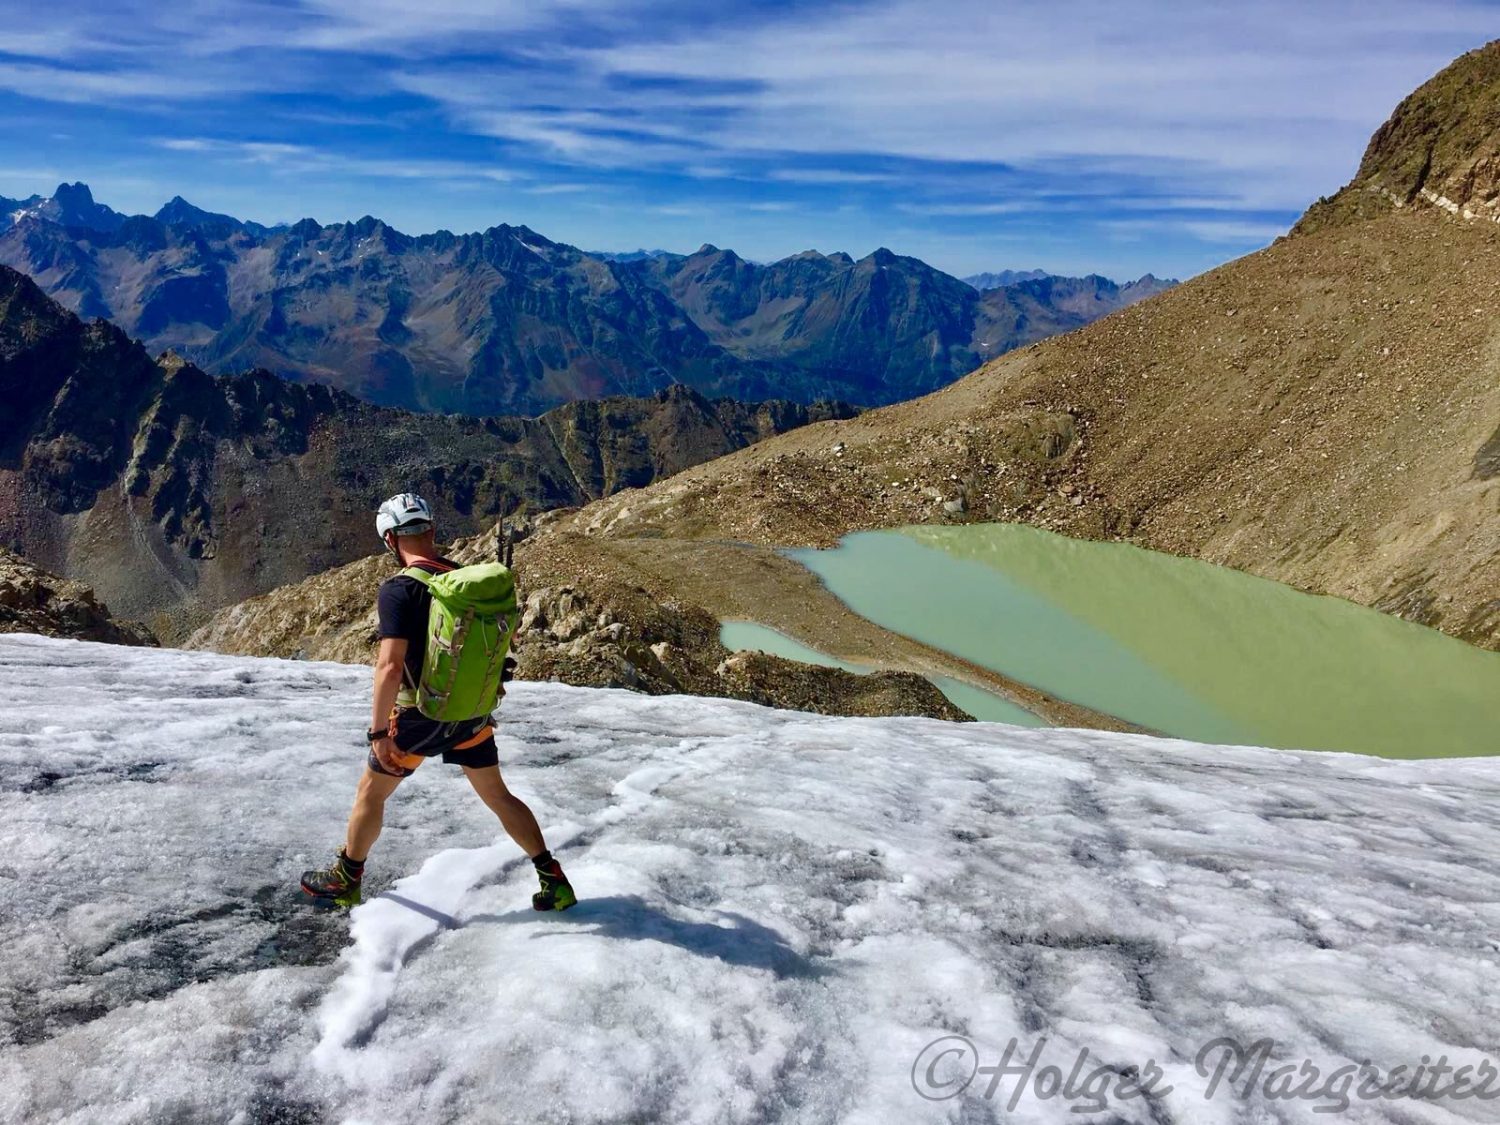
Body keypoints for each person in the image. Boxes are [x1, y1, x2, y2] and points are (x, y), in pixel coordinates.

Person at [300, 492, 574, 911]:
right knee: (499, 796)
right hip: (472, 714)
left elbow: (390, 667)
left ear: (390, 539)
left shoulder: (399, 589)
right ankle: (552, 879)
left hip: (420, 716)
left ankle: (345, 879)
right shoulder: (465, 582)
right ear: (431, 530)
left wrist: (378, 733)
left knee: (370, 795)